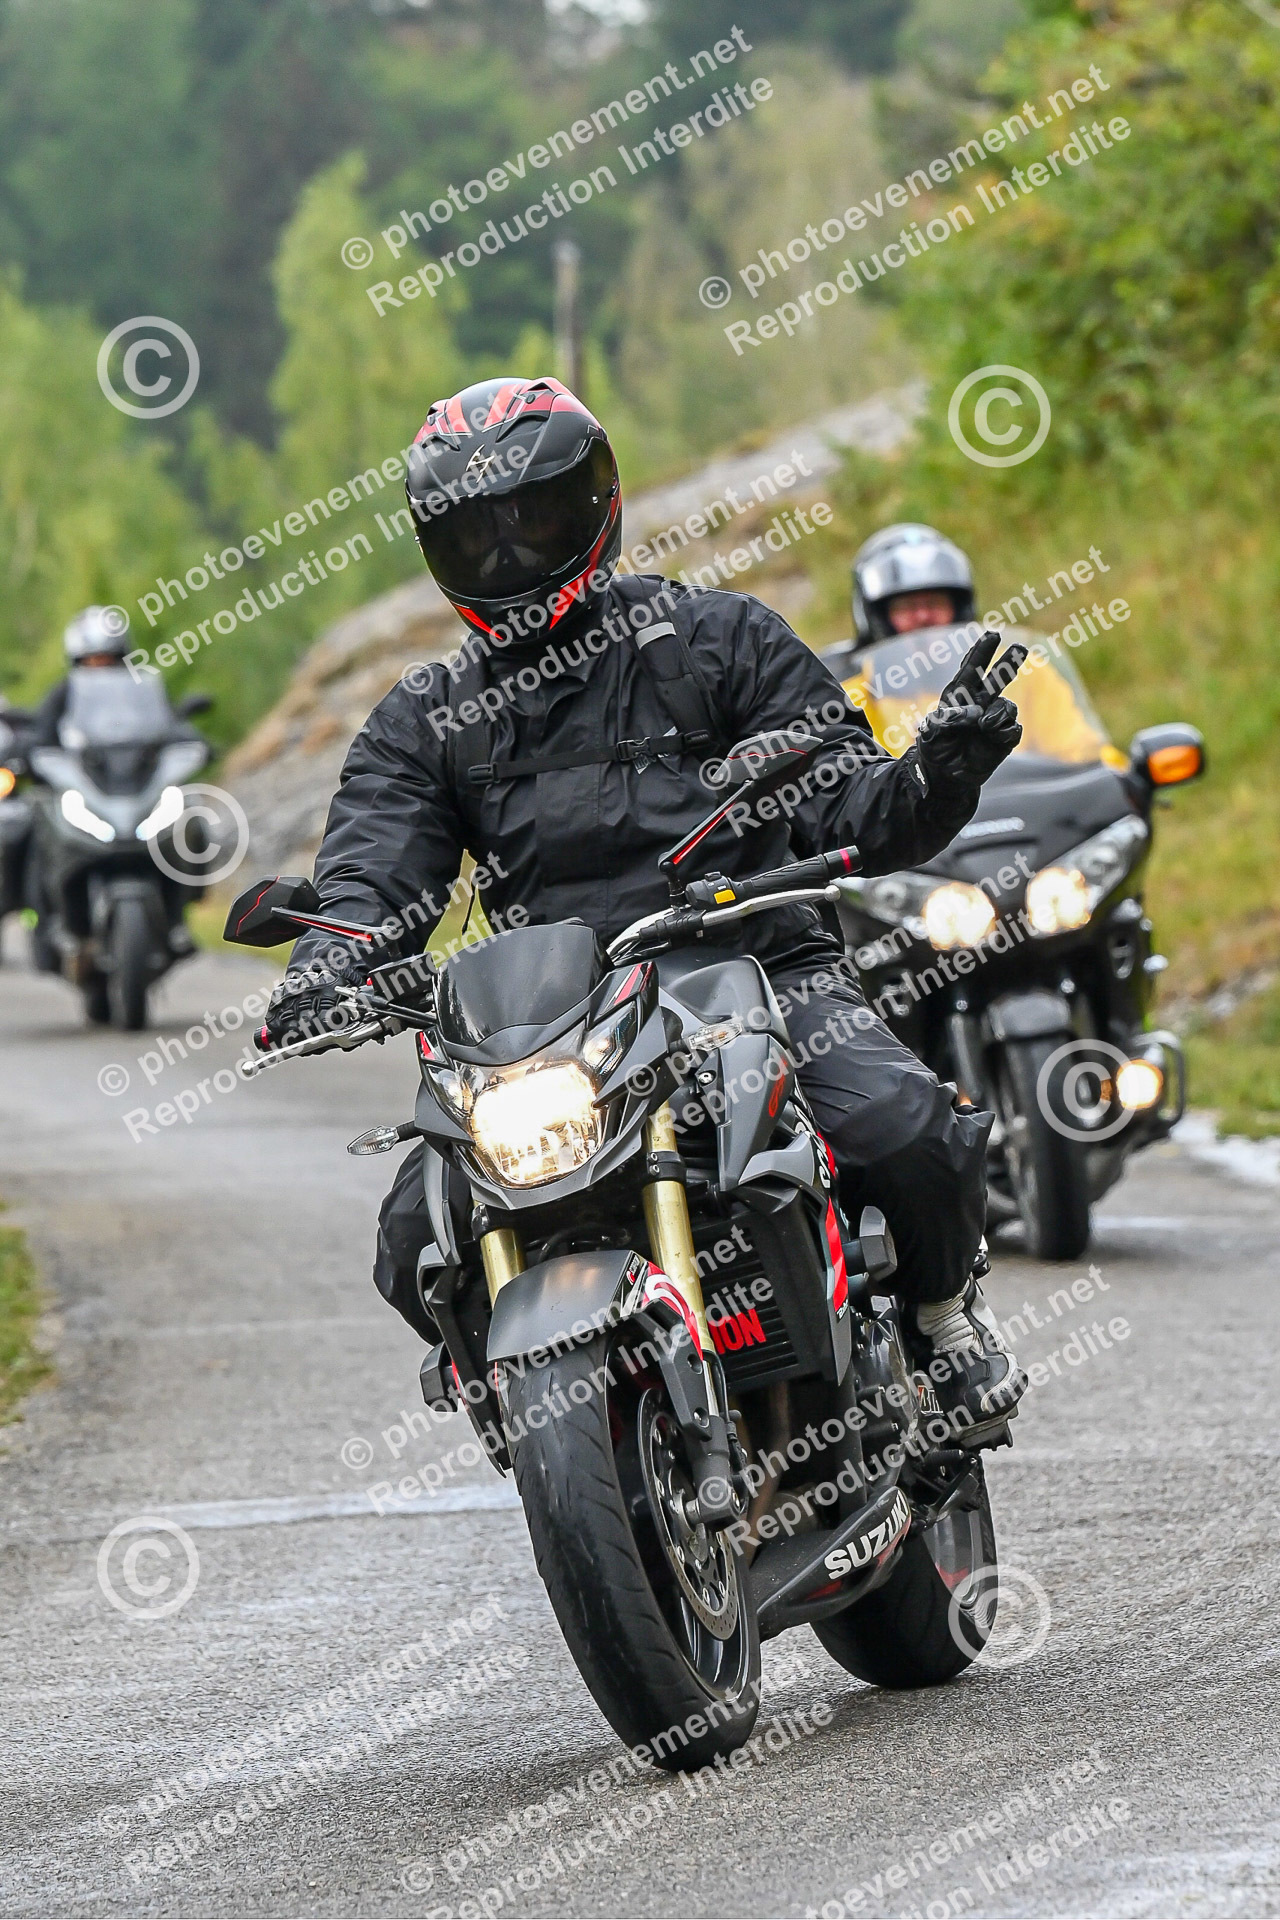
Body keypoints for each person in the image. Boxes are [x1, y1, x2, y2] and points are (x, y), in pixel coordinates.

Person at [265, 377, 1028, 1436]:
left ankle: (941, 1320)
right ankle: (528, 1408)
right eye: (477, 535)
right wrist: (330, 964)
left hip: (755, 963)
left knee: (899, 1125)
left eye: (533, 518)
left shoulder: (719, 641)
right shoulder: (428, 719)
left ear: (595, 505)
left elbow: (853, 803)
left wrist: (936, 774)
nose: (509, 556)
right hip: (554, 1017)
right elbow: (374, 870)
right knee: (412, 1238)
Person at [852, 522, 976, 643]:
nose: (923, 616)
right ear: (879, 617)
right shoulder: (852, 658)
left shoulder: (985, 654)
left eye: (935, 603)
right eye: (907, 606)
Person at [28, 607, 135, 746]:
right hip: (81, 757)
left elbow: (160, 721)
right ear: (79, 661)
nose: (100, 667)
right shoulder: (66, 691)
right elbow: (44, 729)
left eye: (107, 659)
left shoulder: (137, 689)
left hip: (138, 756)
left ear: (120, 658)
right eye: (92, 661)